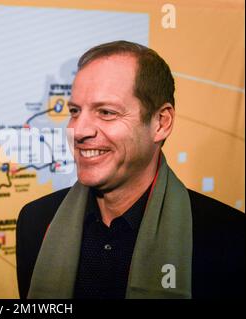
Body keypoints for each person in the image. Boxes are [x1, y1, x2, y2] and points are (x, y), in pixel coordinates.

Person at [16, 40, 244, 299]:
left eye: (106, 112)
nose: (79, 130)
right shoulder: (35, 223)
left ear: (160, 123)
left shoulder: (230, 238)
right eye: (75, 111)